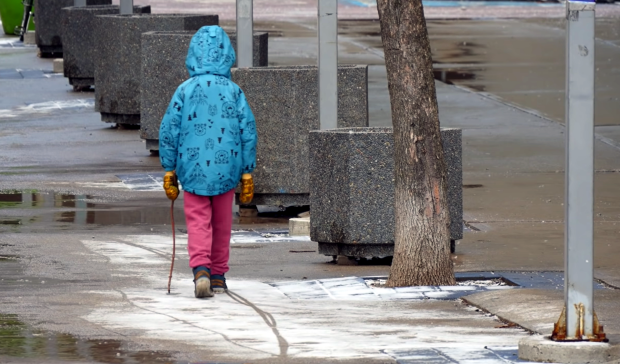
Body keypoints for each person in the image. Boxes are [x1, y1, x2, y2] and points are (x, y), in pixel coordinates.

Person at [159, 25, 257, 298]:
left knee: (198, 220)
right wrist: (247, 171)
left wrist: (169, 169)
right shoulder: (234, 91)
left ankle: (200, 268)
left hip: (192, 169)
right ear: (227, 55)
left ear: (193, 56)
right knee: (223, 222)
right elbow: (247, 130)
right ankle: (217, 275)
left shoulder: (184, 90)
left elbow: (170, 129)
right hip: (227, 169)